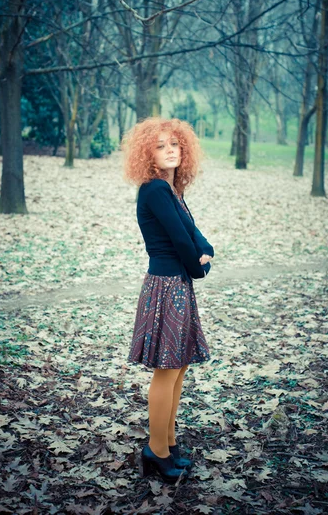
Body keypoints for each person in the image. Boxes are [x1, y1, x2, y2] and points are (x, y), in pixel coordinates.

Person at [121, 116, 214, 484]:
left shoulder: (170, 189)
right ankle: (156, 451)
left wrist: (206, 251)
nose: (170, 149)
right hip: (167, 284)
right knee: (168, 370)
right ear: (148, 153)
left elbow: (193, 233)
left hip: (175, 282)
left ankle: (169, 443)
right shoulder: (155, 190)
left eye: (174, 143)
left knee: (180, 367)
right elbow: (179, 240)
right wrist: (199, 266)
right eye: (160, 146)